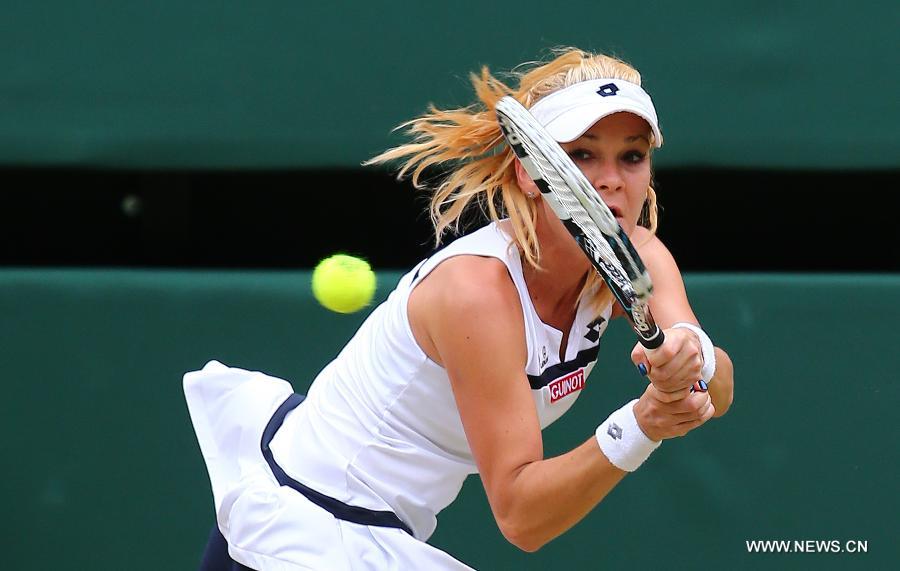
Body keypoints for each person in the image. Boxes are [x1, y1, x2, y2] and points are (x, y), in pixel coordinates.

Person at [184, 47, 735, 570]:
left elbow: (718, 382)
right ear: (530, 173)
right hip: (301, 536)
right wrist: (640, 425)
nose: (611, 179)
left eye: (632, 156)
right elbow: (522, 516)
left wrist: (694, 358)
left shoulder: (636, 254)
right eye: (582, 154)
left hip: (380, 530)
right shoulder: (477, 293)